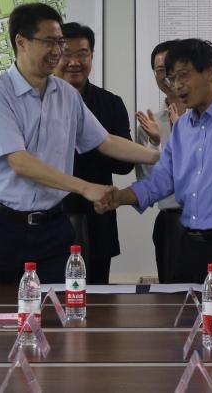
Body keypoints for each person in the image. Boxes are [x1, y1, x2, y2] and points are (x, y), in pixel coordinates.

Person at [0, 3, 160, 284]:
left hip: (52, 229)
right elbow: (20, 162)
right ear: (21, 42)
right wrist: (85, 187)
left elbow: (105, 141)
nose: (57, 51)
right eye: (49, 42)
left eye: (59, 42)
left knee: (58, 307)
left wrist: (158, 155)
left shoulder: (66, 94)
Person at [97, 39, 212, 283]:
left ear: (209, 71)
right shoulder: (183, 127)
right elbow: (162, 180)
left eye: (183, 75)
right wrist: (119, 197)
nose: (177, 85)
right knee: (185, 306)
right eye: (172, 79)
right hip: (189, 242)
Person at [54, 22, 132, 284]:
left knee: (98, 295)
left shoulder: (110, 103)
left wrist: (91, 141)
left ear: (92, 56)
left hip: (98, 216)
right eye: (67, 54)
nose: (74, 62)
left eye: (83, 54)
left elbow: (124, 166)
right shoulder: (40, 102)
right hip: (54, 215)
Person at [134, 39, 185, 282]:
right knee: (171, 293)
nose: (166, 76)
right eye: (160, 70)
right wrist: (155, 143)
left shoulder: (211, 118)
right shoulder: (150, 124)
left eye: (172, 67)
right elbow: (147, 182)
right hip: (171, 221)